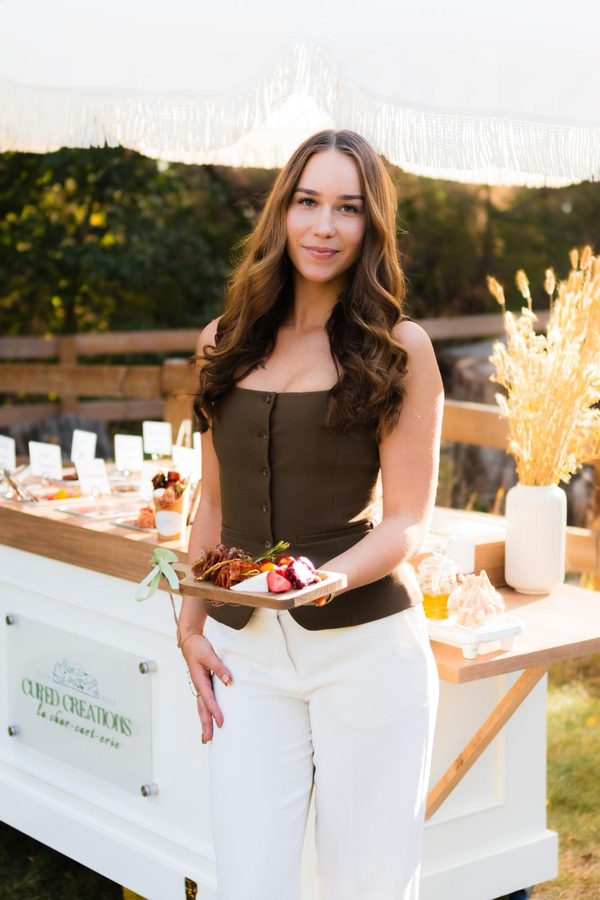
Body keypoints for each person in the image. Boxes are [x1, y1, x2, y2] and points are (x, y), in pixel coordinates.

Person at [179, 129, 443, 900]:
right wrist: (191, 627)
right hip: (248, 660)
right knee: (250, 883)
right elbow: (215, 503)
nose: (324, 226)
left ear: (371, 226)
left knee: (367, 887)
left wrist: (320, 582)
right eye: (308, 202)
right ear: (282, 212)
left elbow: (406, 522)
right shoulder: (222, 342)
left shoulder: (399, 348)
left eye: (348, 208)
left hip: (366, 657)